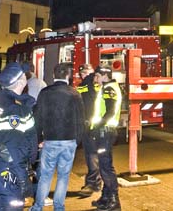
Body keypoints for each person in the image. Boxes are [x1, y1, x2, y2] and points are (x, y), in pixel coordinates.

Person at [29, 63, 85, 211]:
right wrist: (77, 140)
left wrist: (39, 139)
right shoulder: (74, 94)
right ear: (69, 76)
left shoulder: (45, 92)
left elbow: (38, 118)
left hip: (50, 140)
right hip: (69, 140)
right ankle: (59, 207)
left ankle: (38, 206)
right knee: (63, 176)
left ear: (54, 75)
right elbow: (80, 120)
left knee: (45, 176)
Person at [0, 62, 37, 211]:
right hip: (9, 173)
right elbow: (12, 150)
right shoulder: (13, 110)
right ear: (20, 81)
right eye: (24, 75)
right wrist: (23, 179)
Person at [82, 66, 122, 211]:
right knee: (104, 166)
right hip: (104, 131)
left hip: (105, 132)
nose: (95, 79)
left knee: (106, 167)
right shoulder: (107, 87)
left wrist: (98, 126)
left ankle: (113, 200)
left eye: (97, 76)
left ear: (105, 75)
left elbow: (110, 112)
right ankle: (106, 197)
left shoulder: (109, 89)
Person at [76, 63, 101, 196]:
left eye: (82, 74)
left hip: (90, 125)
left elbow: (80, 104)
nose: (82, 76)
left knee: (91, 155)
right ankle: (96, 183)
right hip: (99, 125)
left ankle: (92, 183)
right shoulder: (100, 84)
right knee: (97, 155)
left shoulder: (85, 84)